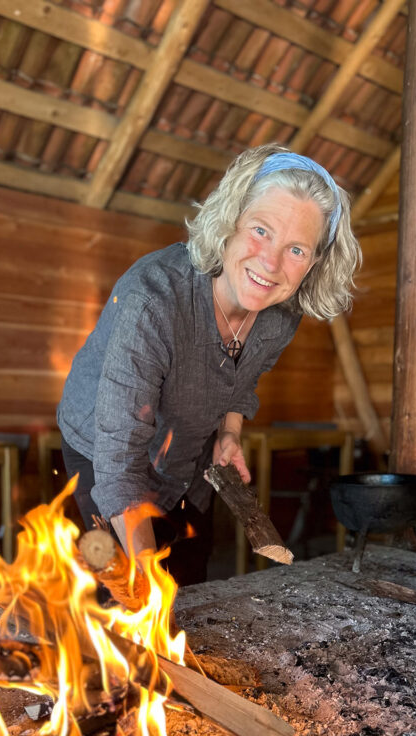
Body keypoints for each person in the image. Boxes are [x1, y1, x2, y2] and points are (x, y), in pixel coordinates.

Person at [57, 143, 361, 585]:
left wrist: (230, 434)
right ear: (230, 223)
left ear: (315, 262)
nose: (271, 263)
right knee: (121, 596)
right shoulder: (154, 299)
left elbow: (242, 381)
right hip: (103, 449)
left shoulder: (280, 315)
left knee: (190, 579)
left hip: (187, 454)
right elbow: (119, 457)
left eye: (297, 250)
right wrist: (147, 590)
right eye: (261, 230)